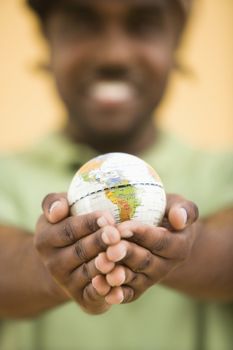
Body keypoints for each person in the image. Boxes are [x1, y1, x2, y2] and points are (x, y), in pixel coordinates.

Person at [0, 0, 232, 349]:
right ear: (47, 40)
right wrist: (55, 268)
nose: (114, 55)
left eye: (144, 23)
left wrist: (183, 247)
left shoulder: (224, 171)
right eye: (81, 22)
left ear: (177, 41)